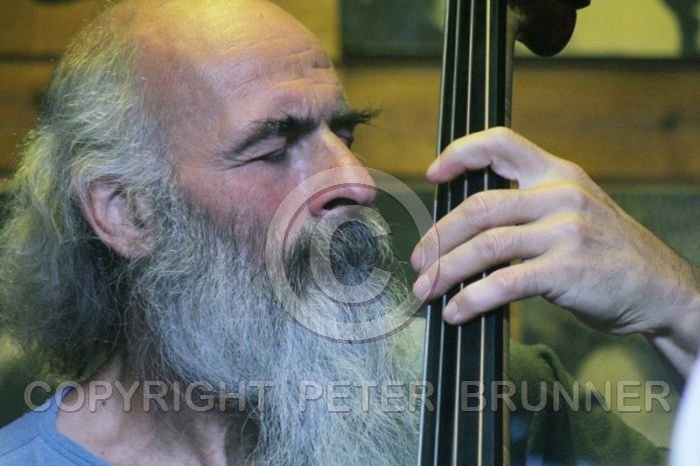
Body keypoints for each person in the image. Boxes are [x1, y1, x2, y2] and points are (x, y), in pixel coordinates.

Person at [0, 0, 691, 464]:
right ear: (127, 212)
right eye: (275, 147)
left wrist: (681, 307)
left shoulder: (499, 398)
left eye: (346, 132)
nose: (357, 181)